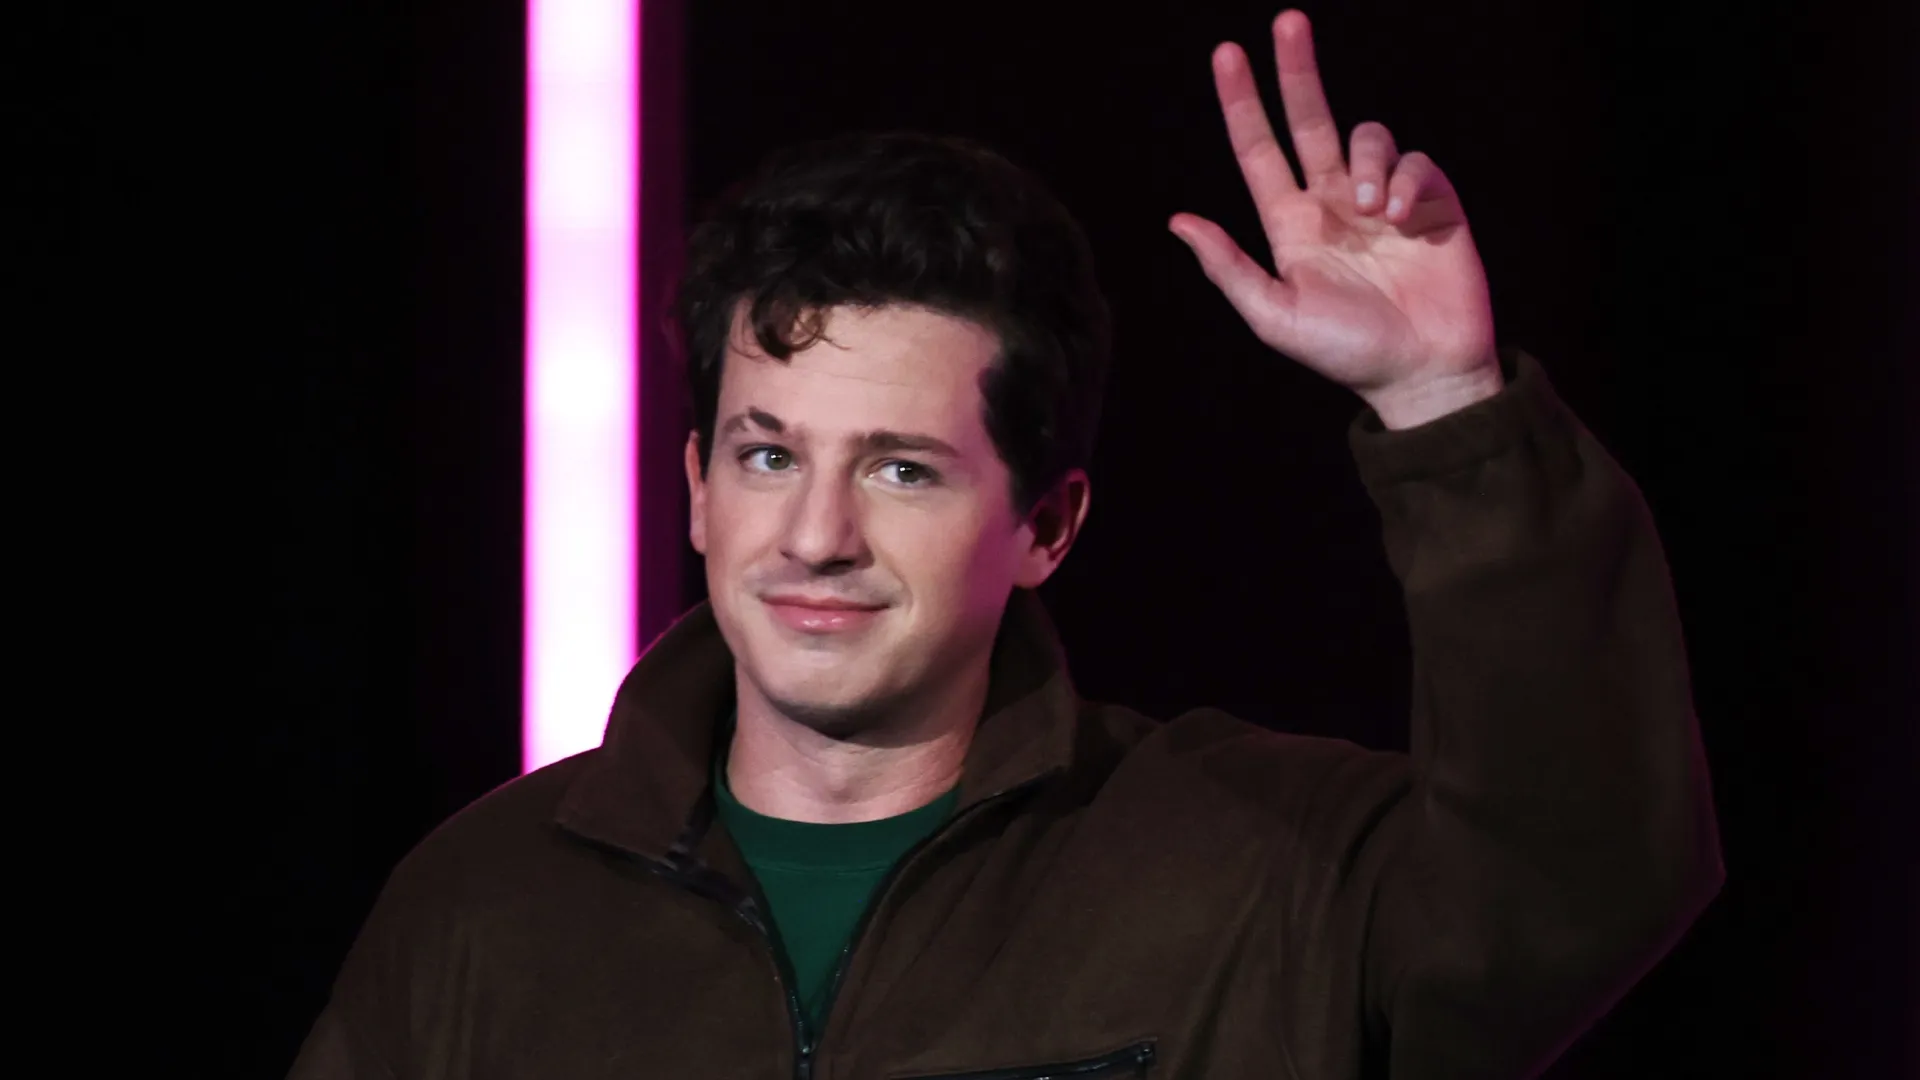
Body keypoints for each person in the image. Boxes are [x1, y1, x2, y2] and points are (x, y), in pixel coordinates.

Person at [290, 9, 1722, 1079]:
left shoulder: (1265, 871)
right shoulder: (482, 910)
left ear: (1046, 525)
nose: (816, 535)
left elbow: (1579, 885)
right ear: (694, 490)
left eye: (902, 470)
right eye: (769, 453)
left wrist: (1441, 403)